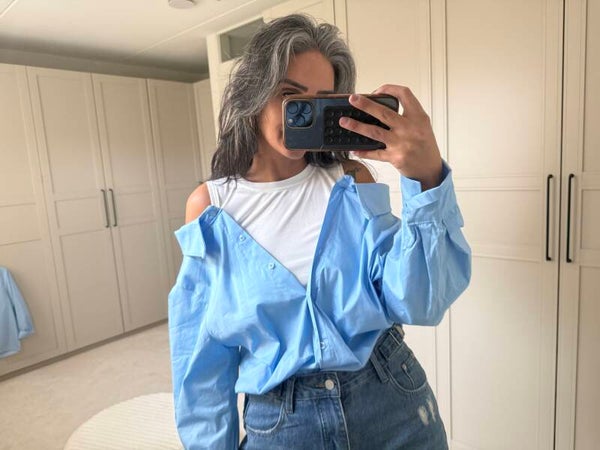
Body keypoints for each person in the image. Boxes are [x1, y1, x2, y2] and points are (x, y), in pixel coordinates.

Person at [169, 13, 471, 450]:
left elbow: (417, 300)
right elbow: (201, 355)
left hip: (392, 402)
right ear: (254, 94)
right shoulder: (210, 208)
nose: (304, 114)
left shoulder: (351, 180)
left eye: (322, 101)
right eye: (289, 95)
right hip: (283, 424)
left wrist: (425, 179)